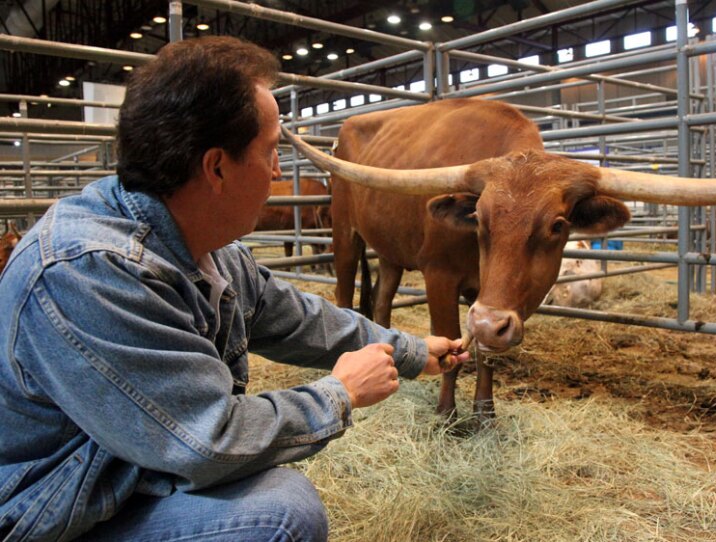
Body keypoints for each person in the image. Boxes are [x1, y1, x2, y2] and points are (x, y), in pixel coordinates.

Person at [0, 36, 469, 542]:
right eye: (270, 153)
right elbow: (206, 439)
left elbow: (293, 316)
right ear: (217, 167)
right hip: (51, 508)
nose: (276, 173)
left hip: (121, 471)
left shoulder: (202, 245)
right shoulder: (88, 272)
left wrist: (413, 350)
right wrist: (340, 395)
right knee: (279, 515)